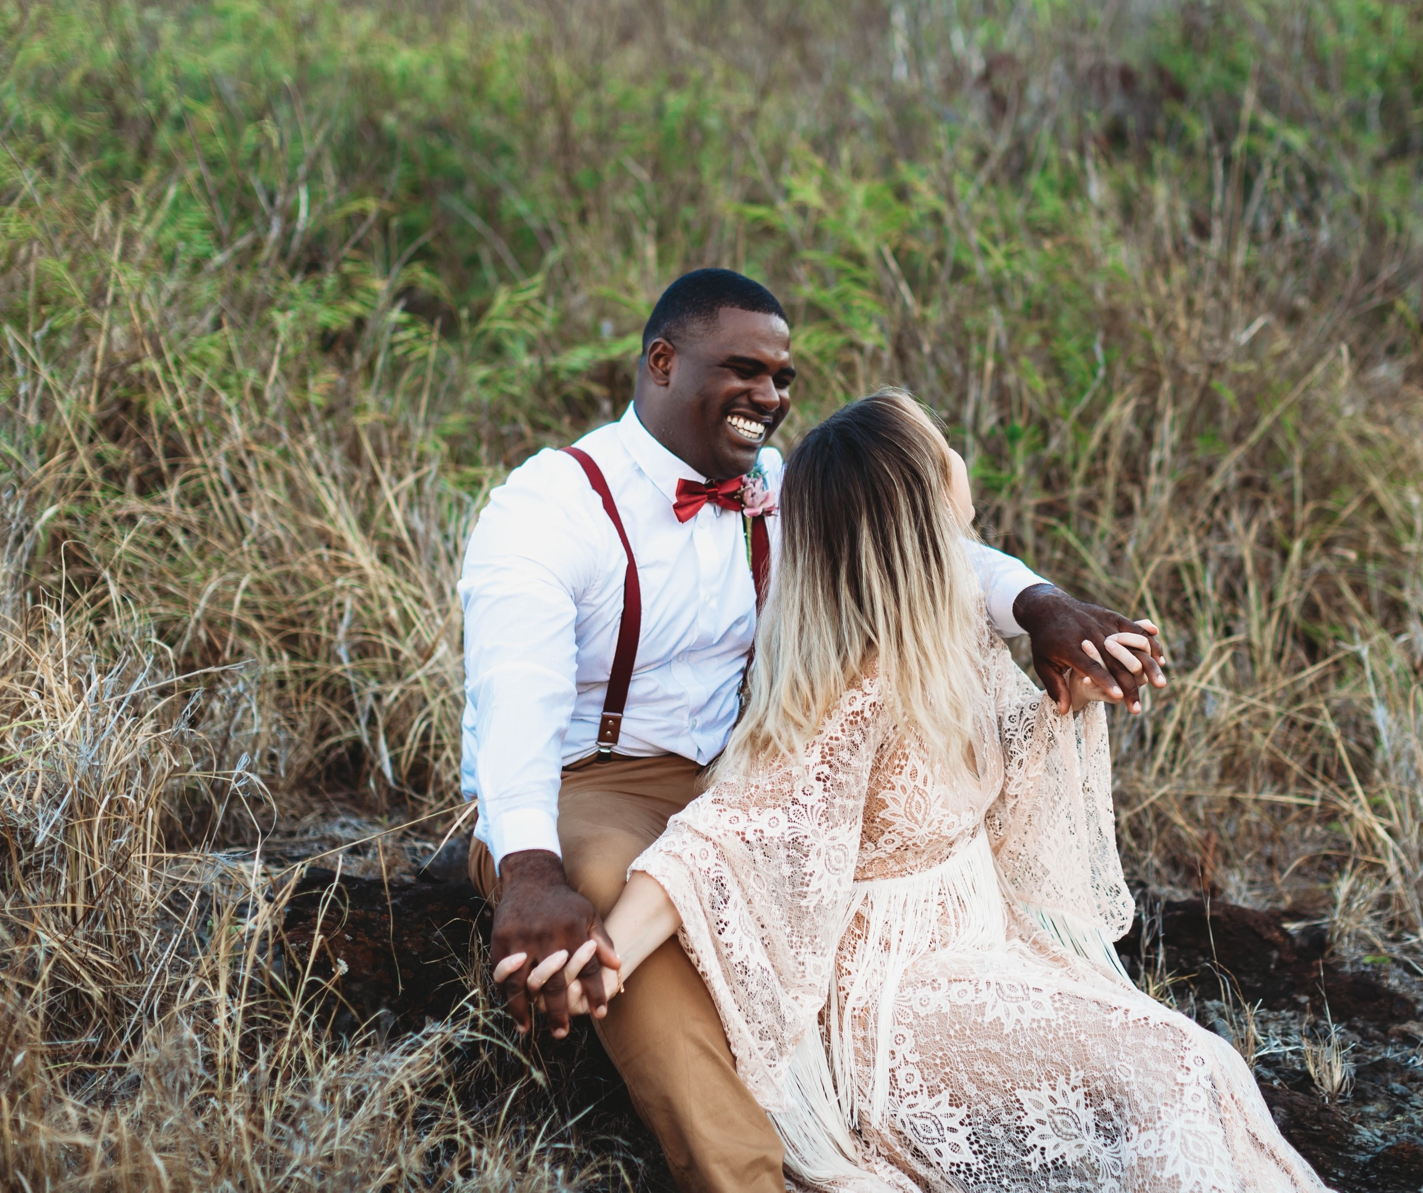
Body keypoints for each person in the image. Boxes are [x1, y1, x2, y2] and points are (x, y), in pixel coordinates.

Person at [512, 390, 1331, 1193]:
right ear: (928, 495)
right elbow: (725, 834)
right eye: (943, 448)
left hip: (982, 939)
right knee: (1179, 1070)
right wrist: (602, 962)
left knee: (1207, 1069)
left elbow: (984, 769)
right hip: (895, 991)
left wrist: (1067, 699)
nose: (960, 458)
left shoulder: (957, 624)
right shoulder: (858, 683)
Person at [461, 267, 1167, 1193]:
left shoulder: (775, 485)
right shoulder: (551, 506)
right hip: (590, 785)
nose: (771, 396)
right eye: (743, 368)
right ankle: (747, 1174)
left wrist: (1034, 602)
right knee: (623, 908)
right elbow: (515, 696)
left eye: (782, 377)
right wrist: (528, 865)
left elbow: (916, 543)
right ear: (663, 362)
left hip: (746, 770)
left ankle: (875, 1089)